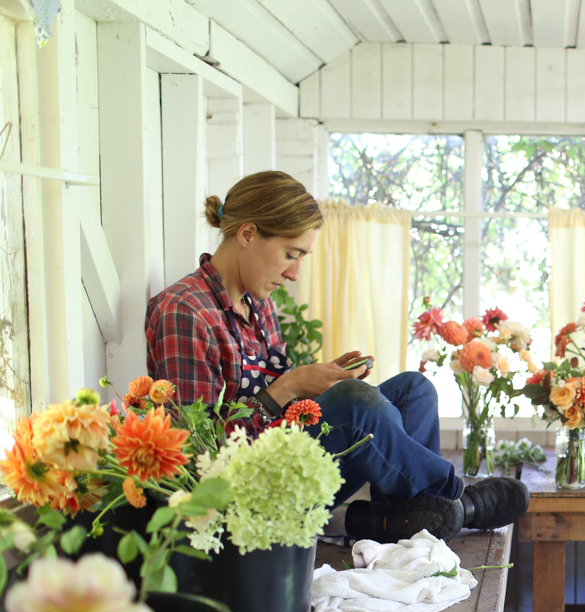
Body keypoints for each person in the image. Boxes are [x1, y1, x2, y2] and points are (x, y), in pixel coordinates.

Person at [145, 171, 528, 542]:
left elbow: (276, 404)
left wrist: (322, 377)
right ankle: (454, 500)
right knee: (355, 404)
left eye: (302, 259)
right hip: (247, 494)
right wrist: (291, 385)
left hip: (286, 457)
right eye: (290, 255)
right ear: (247, 233)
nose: (294, 274)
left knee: (414, 389)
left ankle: (410, 518)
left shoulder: (255, 301)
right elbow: (201, 454)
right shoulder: (185, 313)